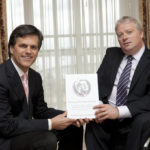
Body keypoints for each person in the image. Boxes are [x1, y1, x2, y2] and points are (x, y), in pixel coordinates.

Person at [0, 24, 84, 150]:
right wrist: (50, 123)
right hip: (6, 139)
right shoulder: (2, 76)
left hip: (25, 131)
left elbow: (41, 111)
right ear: (11, 49)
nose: (28, 51)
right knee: (46, 140)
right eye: (23, 46)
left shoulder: (35, 77)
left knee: (72, 125)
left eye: (33, 47)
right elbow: (6, 125)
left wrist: (71, 115)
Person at [85, 16, 150, 150]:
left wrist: (118, 111)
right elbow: (97, 83)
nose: (124, 37)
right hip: (106, 115)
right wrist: (99, 106)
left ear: (141, 33)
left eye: (129, 32)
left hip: (132, 117)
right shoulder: (112, 54)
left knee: (143, 121)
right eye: (120, 35)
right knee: (92, 123)